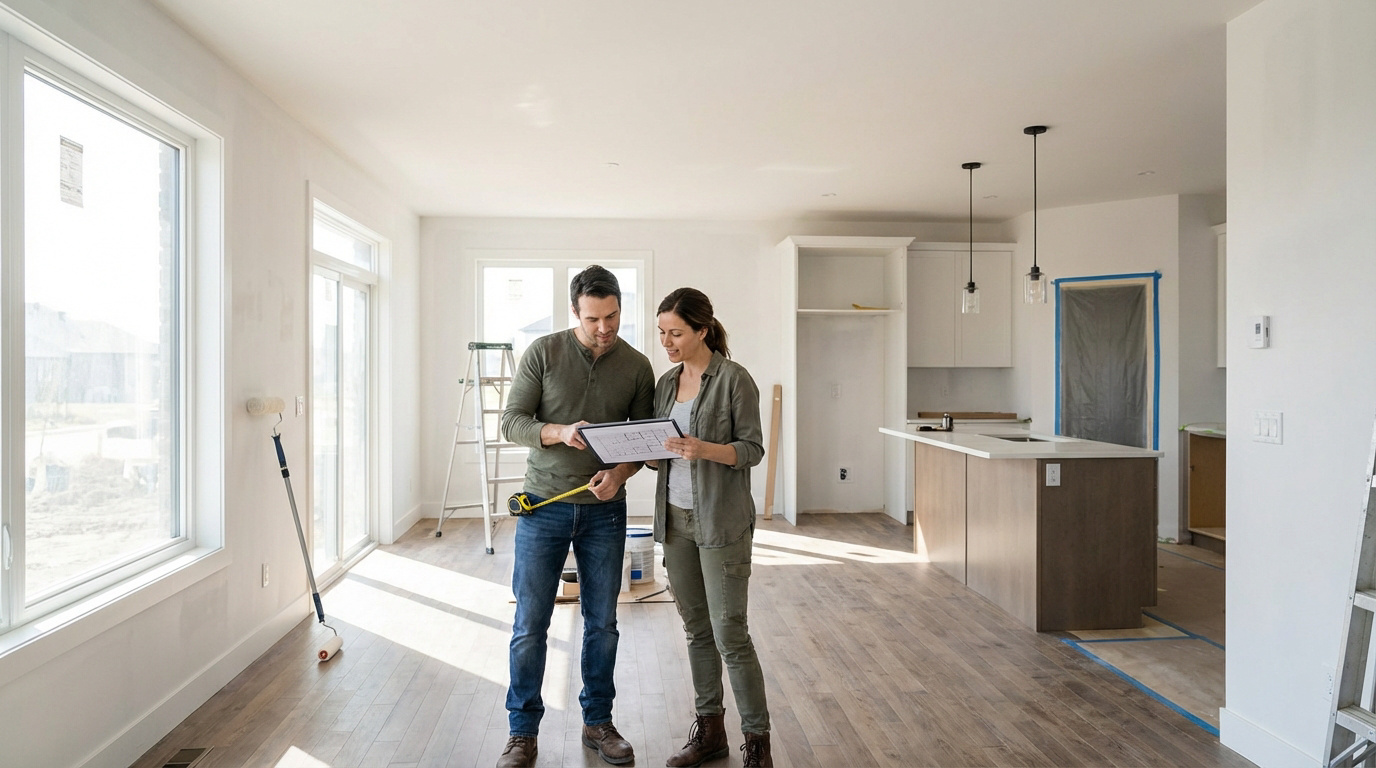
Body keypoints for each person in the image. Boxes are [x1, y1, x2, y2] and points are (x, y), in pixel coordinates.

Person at [496, 265, 655, 768]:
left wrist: (622, 474)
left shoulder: (636, 365)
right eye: (593, 319)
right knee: (530, 624)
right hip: (543, 509)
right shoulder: (542, 352)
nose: (605, 328)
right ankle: (522, 732)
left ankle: (598, 724)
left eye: (612, 316)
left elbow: (648, 441)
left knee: (602, 623)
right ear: (574, 312)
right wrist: (560, 432)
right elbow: (512, 422)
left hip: (605, 513)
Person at [652, 288, 772, 768]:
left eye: (676, 332)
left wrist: (706, 449)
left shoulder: (734, 380)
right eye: (662, 332)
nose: (667, 341)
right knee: (696, 631)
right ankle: (710, 734)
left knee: (730, 635)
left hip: (721, 523)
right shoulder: (665, 383)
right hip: (675, 522)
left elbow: (752, 450)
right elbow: (659, 451)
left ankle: (758, 745)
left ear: (702, 329)